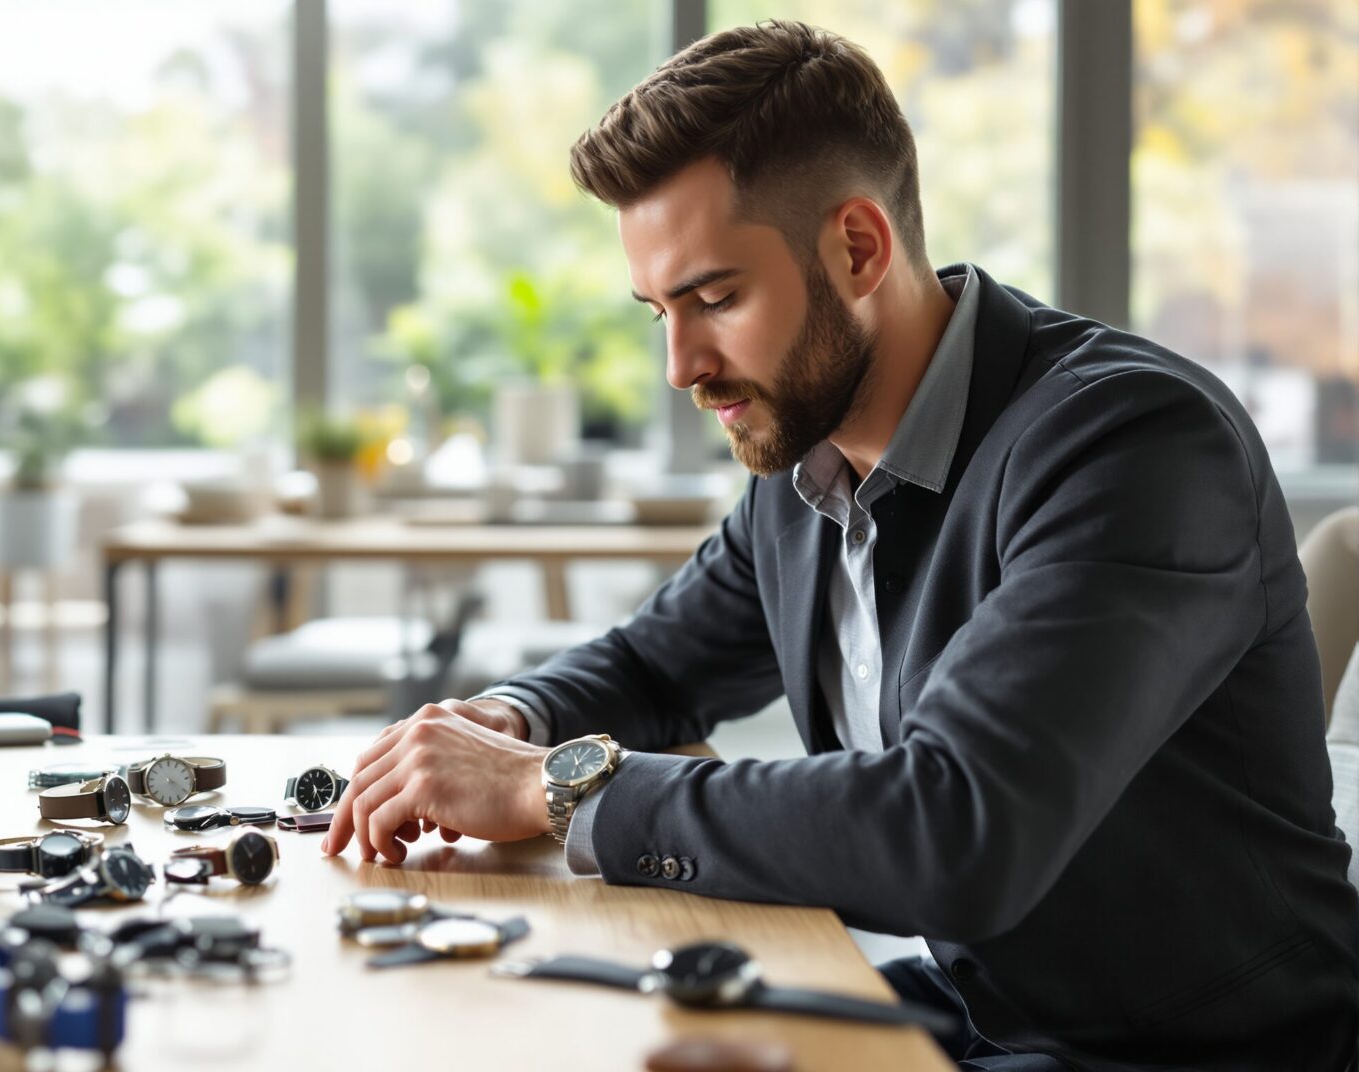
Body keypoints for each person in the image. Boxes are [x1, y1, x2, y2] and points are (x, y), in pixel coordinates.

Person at [318, 20, 1359, 1072]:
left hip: (1192, 1054)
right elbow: (654, 666)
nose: (681, 366)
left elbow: (956, 829)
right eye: (658, 313)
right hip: (985, 1011)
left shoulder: (1131, 446)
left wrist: (553, 788)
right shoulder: (806, 460)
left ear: (858, 247)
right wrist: (501, 724)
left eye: (715, 298)